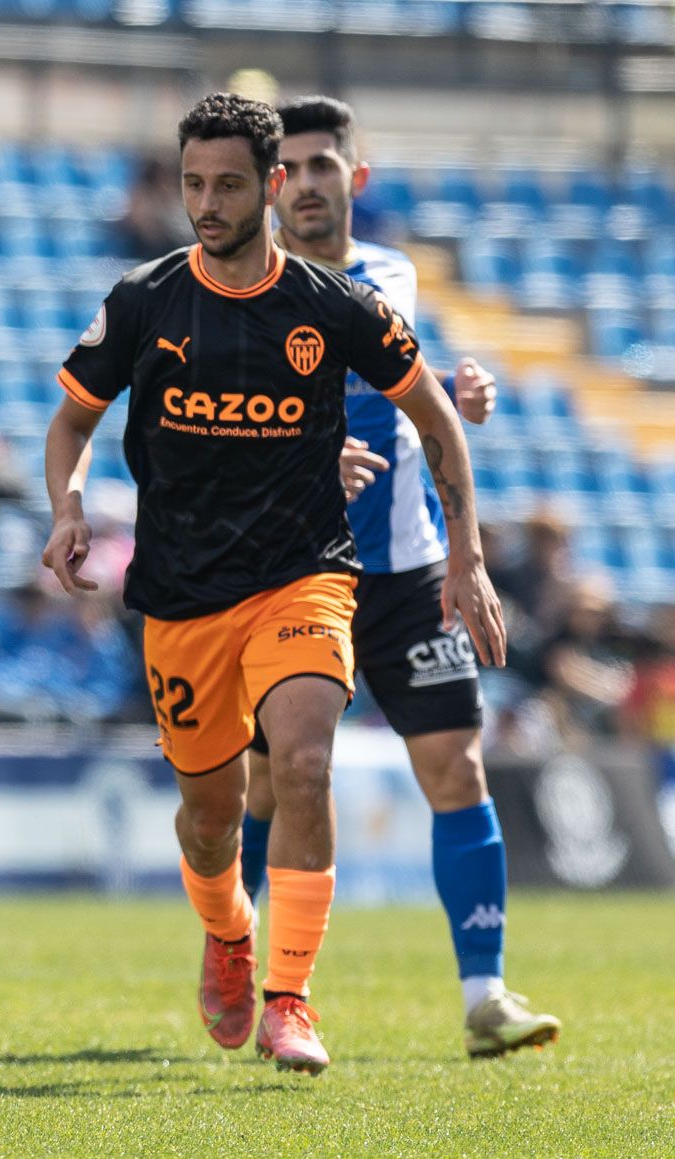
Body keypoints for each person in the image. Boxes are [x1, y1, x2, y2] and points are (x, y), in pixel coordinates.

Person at [41, 93, 505, 1075]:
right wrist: (70, 505)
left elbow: (435, 417)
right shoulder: (144, 299)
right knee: (210, 821)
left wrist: (464, 556)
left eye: (228, 186)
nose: (206, 204)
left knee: (301, 764)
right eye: (193, 184)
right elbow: (71, 424)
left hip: (308, 577)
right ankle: (227, 932)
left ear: (272, 186)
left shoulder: (336, 305)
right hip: (181, 596)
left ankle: (291, 999)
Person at [251, 95, 560, 1058]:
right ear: (271, 186)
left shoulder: (395, 275)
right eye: (289, 169)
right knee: (268, 784)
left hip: (409, 566)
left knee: (457, 767)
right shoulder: (243, 288)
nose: (305, 184)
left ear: (355, 177)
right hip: (292, 572)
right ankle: (242, 962)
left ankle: (485, 996)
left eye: (321, 166)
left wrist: (457, 392)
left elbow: (411, 384)